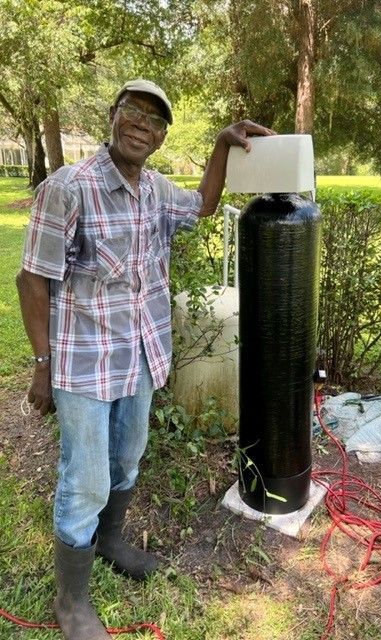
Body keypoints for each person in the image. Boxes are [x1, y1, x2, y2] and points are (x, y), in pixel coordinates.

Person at [16, 78, 275, 640]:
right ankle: (72, 601)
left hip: (140, 354)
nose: (141, 126)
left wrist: (222, 145)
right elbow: (32, 279)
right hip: (83, 363)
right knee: (85, 479)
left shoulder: (156, 190)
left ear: (160, 138)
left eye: (155, 122)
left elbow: (204, 206)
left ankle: (110, 543)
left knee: (127, 459)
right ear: (113, 115)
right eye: (133, 112)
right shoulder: (69, 187)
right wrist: (43, 365)